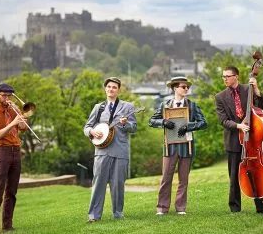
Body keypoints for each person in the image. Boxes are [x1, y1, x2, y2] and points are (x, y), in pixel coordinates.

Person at [215, 66, 263, 214]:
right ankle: (235, 208)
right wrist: (239, 125)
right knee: (234, 177)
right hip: (233, 141)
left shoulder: (248, 90)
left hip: (252, 141)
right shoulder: (220, 97)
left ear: (236, 76)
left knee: (256, 173)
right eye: (223, 76)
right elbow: (223, 121)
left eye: (227, 76)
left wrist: (257, 90)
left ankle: (261, 207)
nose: (225, 79)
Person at [149, 76, 207, 215]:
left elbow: (203, 123)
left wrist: (189, 126)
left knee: (183, 179)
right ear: (175, 88)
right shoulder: (165, 105)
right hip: (169, 147)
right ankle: (162, 208)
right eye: (183, 87)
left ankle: (180, 208)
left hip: (186, 146)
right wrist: (163, 122)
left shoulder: (192, 105)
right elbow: (151, 121)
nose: (186, 89)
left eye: (187, 87)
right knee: (166, 178)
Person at [84, 77, 137, 223]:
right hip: (102, 151)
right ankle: (94, 215)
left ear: (118, 90)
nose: (111, 89)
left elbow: (134, 128)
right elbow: (87, 126)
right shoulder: (98, 107)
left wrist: (125, 124)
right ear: (105, 89)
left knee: (118, 184)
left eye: (114, 87)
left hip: (120, 151)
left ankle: (118, 213)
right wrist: (92, 132)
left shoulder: (128, 107)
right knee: (98, 183)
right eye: (108, 87)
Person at [0, 83, 28, 233]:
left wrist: (21, 118)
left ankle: (8, 225)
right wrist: (13, 123)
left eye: (9, 96)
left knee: (12, 191)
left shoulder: (13, 110)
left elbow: (23, 128)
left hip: (16, 151)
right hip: (1, 152)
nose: (7, 98)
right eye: (4, 95)